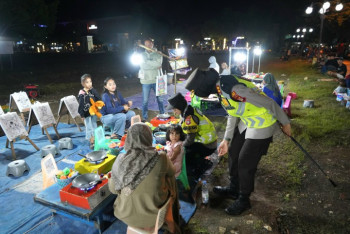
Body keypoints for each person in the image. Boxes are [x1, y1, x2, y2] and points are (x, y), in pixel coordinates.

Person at [185, 68, 291, 216]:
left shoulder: (234, 89)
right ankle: (234, 189)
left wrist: (285, 123)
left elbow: (269, 103)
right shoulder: (220, 89)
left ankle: (244, 199)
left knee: (245, 161)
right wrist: (226, 140)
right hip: (247, 122)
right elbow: (232, 113)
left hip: (262, 122)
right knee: (234, 153)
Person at [108, 123, 181, 233]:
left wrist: (113, 177)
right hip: (156, 215)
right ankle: (173, 216)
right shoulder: (161, 157)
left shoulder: (120, 160)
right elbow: (173, 172)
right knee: (170, 179)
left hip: (125, 214)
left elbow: (113, 189)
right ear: (149, 138)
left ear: (129, 139)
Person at [167, 92, 217, 179]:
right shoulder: (188, 110)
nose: (174, 111)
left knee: (185, 154)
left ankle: (200, 167)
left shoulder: (189, 118)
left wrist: (179, 146)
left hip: (208, 145)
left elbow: (190, 140)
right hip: (207, 141)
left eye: (175, 109)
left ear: (180, 106)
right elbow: (181, 127)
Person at [139, 38, 165, 121]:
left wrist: (146, 62)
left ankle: (162, 114)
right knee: (145, 101)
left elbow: (159, 64)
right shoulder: (142, 55)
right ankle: (145, 117)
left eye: (149, 44)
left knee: (160, 99)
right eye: (146, 44)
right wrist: (153, 65)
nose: (148, 46)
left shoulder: (158, 53)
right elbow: (142, 66)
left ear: (152, 44)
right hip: (145, 80)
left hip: (157, 80)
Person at [78, 74, 101, 148]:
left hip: (93, 112)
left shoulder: (92, 91)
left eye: (90, 81)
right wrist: (81, 114)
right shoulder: (82, 93)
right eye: (87, 82)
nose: (89, 83)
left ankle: (95, 138)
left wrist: (93, 90)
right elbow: (81, 104)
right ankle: (91, 141)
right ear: (83, 84)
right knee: (89, 126)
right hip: (86, 113)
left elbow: (98, 98)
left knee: (94, 124)